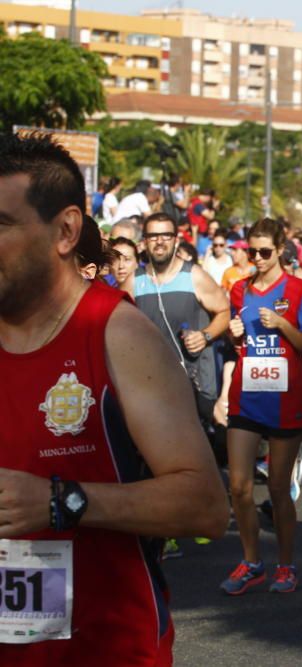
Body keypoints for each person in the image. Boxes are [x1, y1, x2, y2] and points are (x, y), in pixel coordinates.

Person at [0, 128, 228, 667]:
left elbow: (205, 506)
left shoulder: (116, 334)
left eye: (2, 225)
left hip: (106, 649)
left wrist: (61, 502)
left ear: (65, 231)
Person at [219, 218, 302, 595]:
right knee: (239, 486)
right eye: (252, 252)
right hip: (246, 397)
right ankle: (251, 562)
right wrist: (235, 334)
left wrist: (282, 324)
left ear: (280, 249)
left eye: (265, 251)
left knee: (278, 488)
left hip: (285, 400)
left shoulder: (299, 290)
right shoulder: (238, 289)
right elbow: (239, 341)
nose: (258, 258)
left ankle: (286, 564)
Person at [134, 213, 231, 447]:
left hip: (191, 383)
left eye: (165, 235)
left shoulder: (194, 276)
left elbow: (224, 312)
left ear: (176, 240)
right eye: (153, 236)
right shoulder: (134, 281)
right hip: (149, 385)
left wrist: (205, 335)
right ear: (144, 242)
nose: (159, 241)